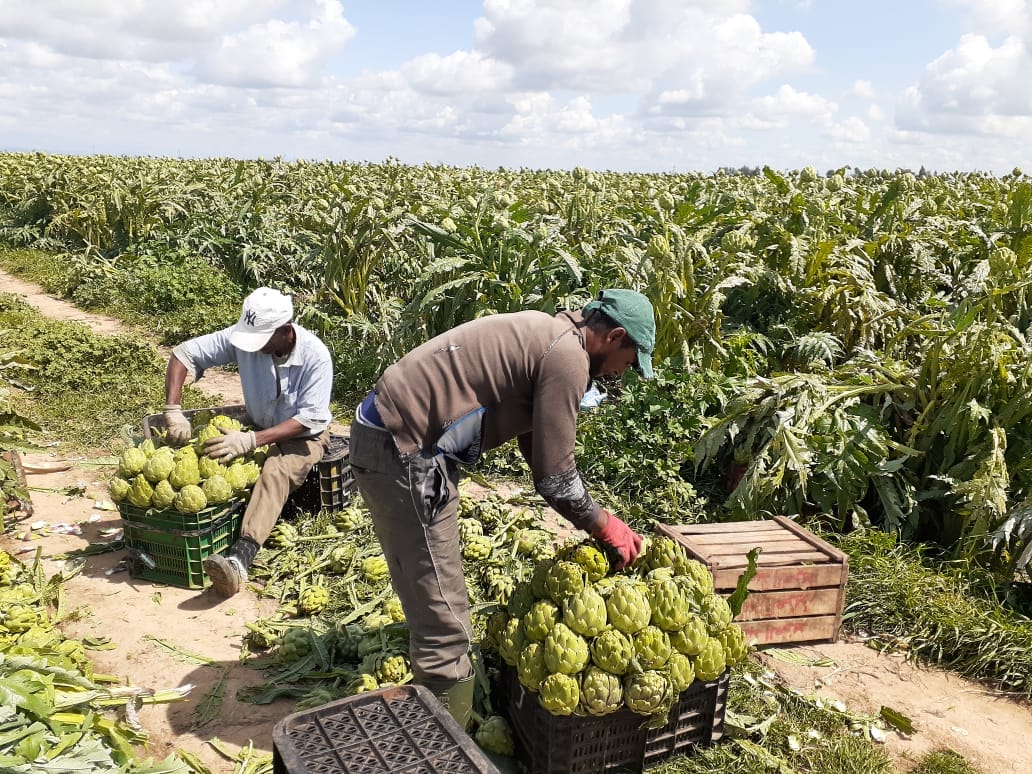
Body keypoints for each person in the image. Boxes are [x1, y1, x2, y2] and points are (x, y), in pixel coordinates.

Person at [349, 288, 655, 727]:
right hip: (403, 450)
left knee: (434, 583)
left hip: (395, 435)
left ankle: (442, 720)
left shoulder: (550, 332)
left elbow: (539, 446)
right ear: (615, 337)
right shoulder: (567, 358)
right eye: (629, 361)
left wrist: (584, 512)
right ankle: (442, 738)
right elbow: (556, 479)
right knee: (443, 615)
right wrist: (606, 525)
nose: (622, 372)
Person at [163, 287, 333, 597]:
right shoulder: (245, 339)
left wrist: (252, 441)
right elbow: (183, 354)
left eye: (263, 340)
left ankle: (241, 557)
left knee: (276, 472)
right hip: (254, 423)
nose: (255, 347)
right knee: (206, 452)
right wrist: (173, 409)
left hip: (302, 436)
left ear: (285, 331)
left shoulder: (315, 356)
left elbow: (308, 419)